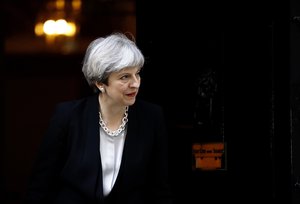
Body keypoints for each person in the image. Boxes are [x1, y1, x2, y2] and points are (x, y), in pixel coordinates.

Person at [23, 32, 173, 204]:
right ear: (100, 83)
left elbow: (160, 189)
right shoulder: (68, 117)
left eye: (137, 74)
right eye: (125, 77)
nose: (136, 83)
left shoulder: (152, 118)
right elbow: (40, 186)